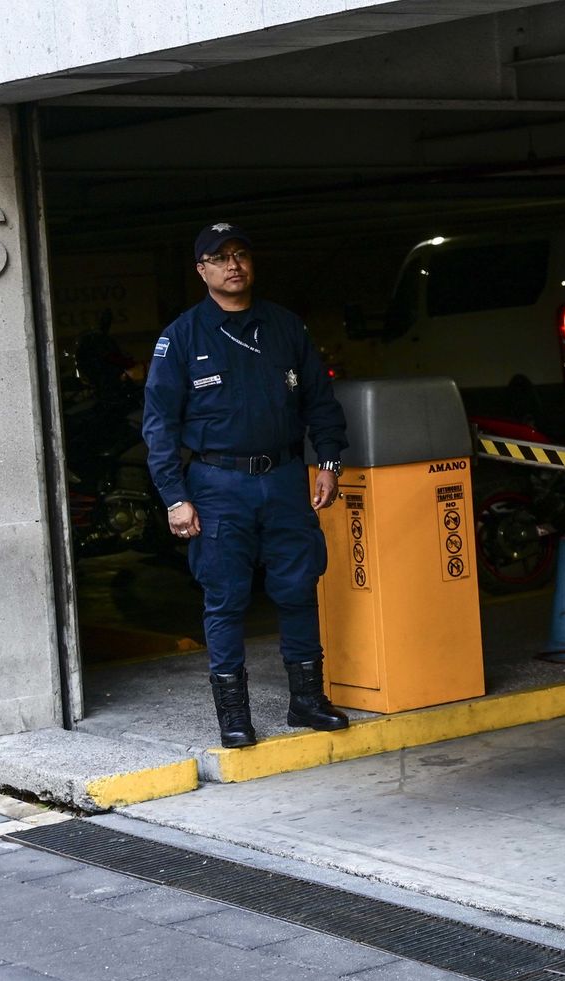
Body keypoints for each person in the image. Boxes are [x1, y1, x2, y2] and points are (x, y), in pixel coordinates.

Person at [142, 223, 351, 749]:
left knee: (298, 587)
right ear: (202, 270)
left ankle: (307, 700)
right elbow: (159, 423)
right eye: (218, 257)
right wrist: (175, 496)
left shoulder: (284, 328)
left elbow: (320, 404)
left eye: (240, 255)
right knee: (226, 597)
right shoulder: (182, 337)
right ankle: (234, 716)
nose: (232, 265)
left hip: (283, 479)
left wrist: (328, 460)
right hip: (216, 484)